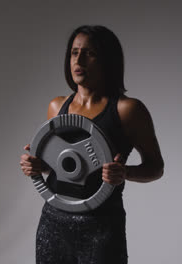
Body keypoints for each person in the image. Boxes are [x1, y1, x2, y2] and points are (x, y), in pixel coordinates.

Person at [19, 25, 164, 264]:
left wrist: (124, 172)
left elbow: (156, 167)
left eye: (89, 53)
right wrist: (36, 166)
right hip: (53, 222)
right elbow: (55, 167)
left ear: (107, 61)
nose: (79, 60)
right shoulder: (57, 107)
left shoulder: (128, 110)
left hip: (103, 225)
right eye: (75, 53)